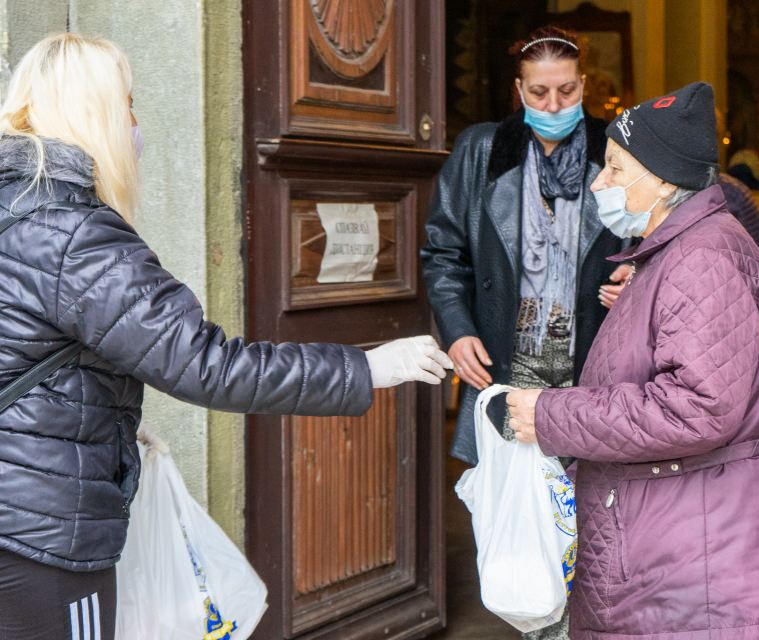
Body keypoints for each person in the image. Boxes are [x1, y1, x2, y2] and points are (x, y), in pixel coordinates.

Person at [0, 33, 452, 640]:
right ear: (98, 113)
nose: (135, 123)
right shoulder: (76, 233)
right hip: (42, 531)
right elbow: (208, 364)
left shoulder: (15, 209)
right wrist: (366, 368)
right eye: (128, 104)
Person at [505, 82, 759, 640]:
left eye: (617, 169)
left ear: (664, 179)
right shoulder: (679, 251)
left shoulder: (704, 254)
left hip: (692, 567)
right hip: (673, 552)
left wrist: (551, 416)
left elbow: (696, 408)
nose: (599, 182)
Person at [421, 26, 626, 466]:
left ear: (583, 85)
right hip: (506, 366)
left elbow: (650, 239)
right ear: (518, 89)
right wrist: (457, 331)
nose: (553, 105)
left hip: (590, 366)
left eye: (566, 91)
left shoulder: (615, 153)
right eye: (538, 92)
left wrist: (637, 277)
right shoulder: (480, 150)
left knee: (584, 517)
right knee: (509, 518)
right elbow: (443, 254)